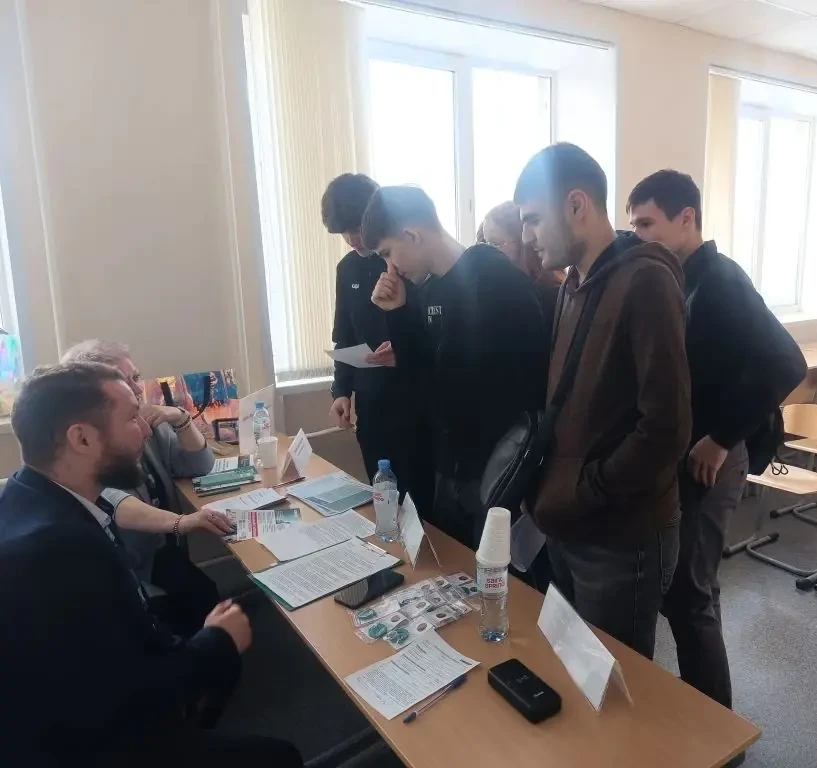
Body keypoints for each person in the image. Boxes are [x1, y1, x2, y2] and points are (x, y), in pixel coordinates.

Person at [0, 363, 302, 767]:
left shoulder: (28, 495)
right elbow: (125, 696)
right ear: (82, 438)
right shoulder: (55, 549)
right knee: (280, 757)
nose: (145, 430)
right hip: (88, 747)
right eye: (131, 419)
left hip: (81, 720)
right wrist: (216, 641)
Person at [628, 170, 806, 713]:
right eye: (633, 226)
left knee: (691, 597)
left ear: (687, 218)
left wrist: (722, 438)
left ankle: (718, 731)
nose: (638, 237)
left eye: (647, 224)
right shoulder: (676, 279)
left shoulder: (720, 279)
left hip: (715, 457)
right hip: (689, 454)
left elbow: (786, 362)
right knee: (683, 590)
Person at [514, 143, 691, 659]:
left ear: (576, 205)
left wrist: (586, 489)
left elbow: (666, 429)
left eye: (533, 220)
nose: (526, 237)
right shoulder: (573, 283)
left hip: (620, 534)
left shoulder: (646, 280)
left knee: (614, 680)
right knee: (575, 666)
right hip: (570, 522)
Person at [366, 185, 548, 549]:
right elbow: (420, 382)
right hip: (450, 467)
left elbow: (526, 385)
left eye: (387, 253)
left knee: (495, 576)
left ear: (412, 235)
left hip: (497, 469)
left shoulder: (494, 279)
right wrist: (398, 315)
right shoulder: (427, 290)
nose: (391, 268)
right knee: (450, 571)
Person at [62, 339, 227, 636]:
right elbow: (111, 501)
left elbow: (199, 465)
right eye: (123, 381)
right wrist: (182, 522)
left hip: (162, 554)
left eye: (135, 377)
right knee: (201, 602)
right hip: (129, 569)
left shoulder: (145, 423)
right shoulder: (88, 445)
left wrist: (180, 417)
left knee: (204, 597)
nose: (137, 389)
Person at [322, 173, 433, 513]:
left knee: (421, 508)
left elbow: (434, 330)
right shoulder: (347, 269)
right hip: (372, 408)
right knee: (383, 503)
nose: (352, 240)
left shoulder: (408, 261)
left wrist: (404, 348)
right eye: (343, 233)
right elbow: (344, 335)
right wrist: (341, 391)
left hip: (416, 405)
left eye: (356, 228)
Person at [478, 200, 565, 332]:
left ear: (523, 243)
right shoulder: (496, 292)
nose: (488, 253)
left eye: (496, 244)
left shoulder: (552, 296)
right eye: (485, 243)